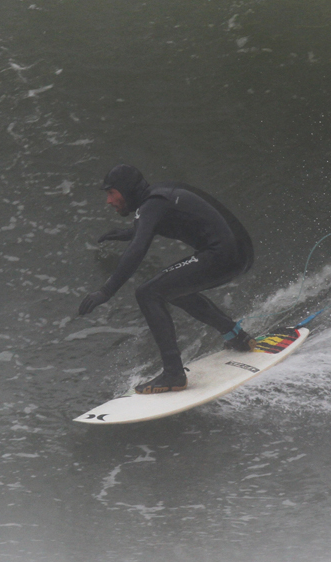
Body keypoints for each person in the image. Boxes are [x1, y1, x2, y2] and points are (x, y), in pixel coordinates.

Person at [77, 164, 255, 394]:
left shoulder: (152, 205)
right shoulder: (159, 195)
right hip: (240, 251)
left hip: (223, 255)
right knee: (172, 287)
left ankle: (173, 374)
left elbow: (137, 250)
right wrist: (129, 233)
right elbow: (163, 221)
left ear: (126, 190)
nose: (109, 201)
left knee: (148, 292)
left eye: (112, 193)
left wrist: (106, 291)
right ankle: (236, 336)